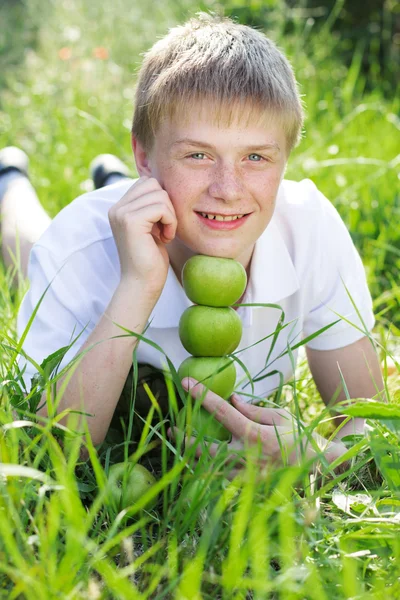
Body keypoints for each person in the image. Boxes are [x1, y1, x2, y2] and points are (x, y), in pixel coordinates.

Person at [1, 12, 385, 472]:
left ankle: (128, 174)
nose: (228, 187)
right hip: (100, 231)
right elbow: (49, 454)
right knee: (28, 250)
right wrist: (137, 285)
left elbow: (372, 425)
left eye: (256, 157)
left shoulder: (309, 227)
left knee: (189, 204)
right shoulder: (80, 242)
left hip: (171, 205)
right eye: (198, 155)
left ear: (286, 160)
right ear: (144, 153)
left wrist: (317, 460)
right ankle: (10, 179)